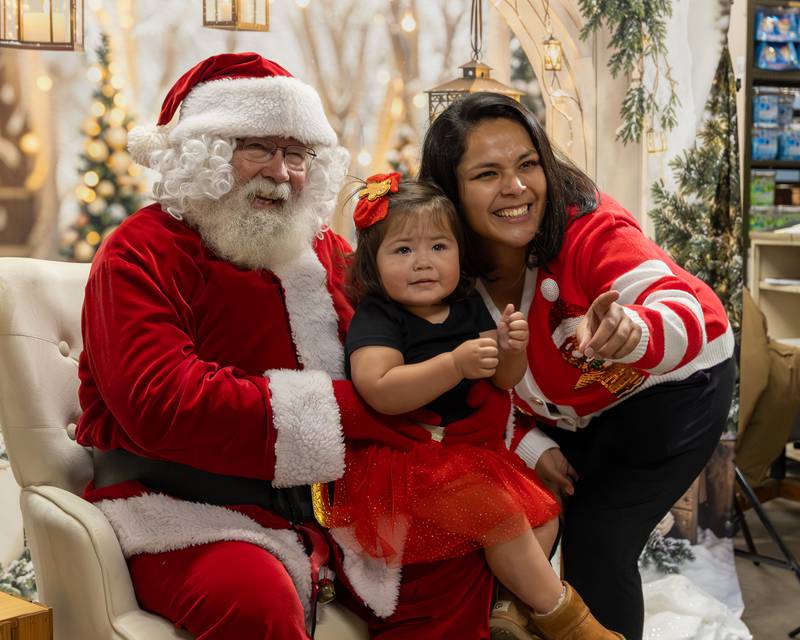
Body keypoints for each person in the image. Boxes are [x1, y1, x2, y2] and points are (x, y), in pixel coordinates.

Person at [75, 53, 510, 640]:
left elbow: (414, 348)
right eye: (259, 148)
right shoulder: (139, 251)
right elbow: (161, 403)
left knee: (455, 558)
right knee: (254, 602)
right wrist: (352, 411)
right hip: (185, 508)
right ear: (204, 153)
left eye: (297, 153)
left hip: (337, 503)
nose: (281, 173)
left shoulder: (327, 252)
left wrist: (507, 435)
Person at [418, 92, 736, 640]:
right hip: (569, 410)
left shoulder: (590, 227)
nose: (515, 188)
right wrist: (533, 446)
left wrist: (634, 330)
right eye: (487, 173)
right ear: (451, 191)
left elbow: (680, 309)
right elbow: (470, 388)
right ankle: (519, 614)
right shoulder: (444, 266)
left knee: (600, 535)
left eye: (527, 164)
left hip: (675, 387)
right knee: (517, 510)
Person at [327, 174, 622, 640]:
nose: (423, 263)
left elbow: (504, 381)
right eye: (403, 250)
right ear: (372, 263)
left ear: (460, 253)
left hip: (469, 458)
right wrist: (454, 363)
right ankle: (568, 621)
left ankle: (506, 607)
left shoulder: (465, 306)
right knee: (500, 516)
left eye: (439, 247)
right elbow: (378, 387)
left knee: (544, 514)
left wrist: (511, 348)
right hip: (408, 464)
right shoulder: (380, 316)